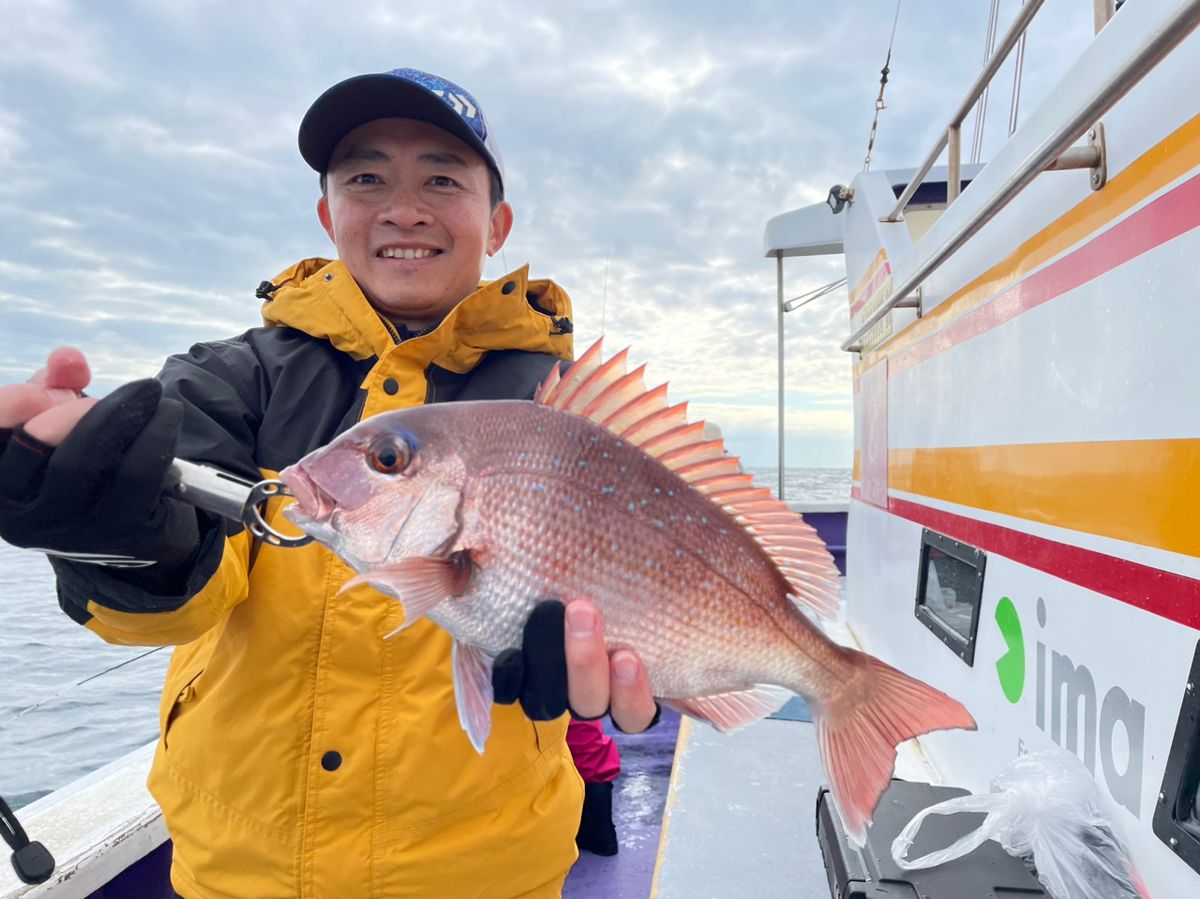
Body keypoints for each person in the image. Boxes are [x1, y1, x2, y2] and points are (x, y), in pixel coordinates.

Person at [0, 67, 658, 898]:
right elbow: (187, 587)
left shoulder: (562, 404)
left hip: (489, 871)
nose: (404, 207)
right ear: (328, 213)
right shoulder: (228, 380)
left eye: (442, 179)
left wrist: (645, 669)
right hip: (241, 873)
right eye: (367, 177)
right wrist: (107, 524)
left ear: (497, 223)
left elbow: (650, 577)